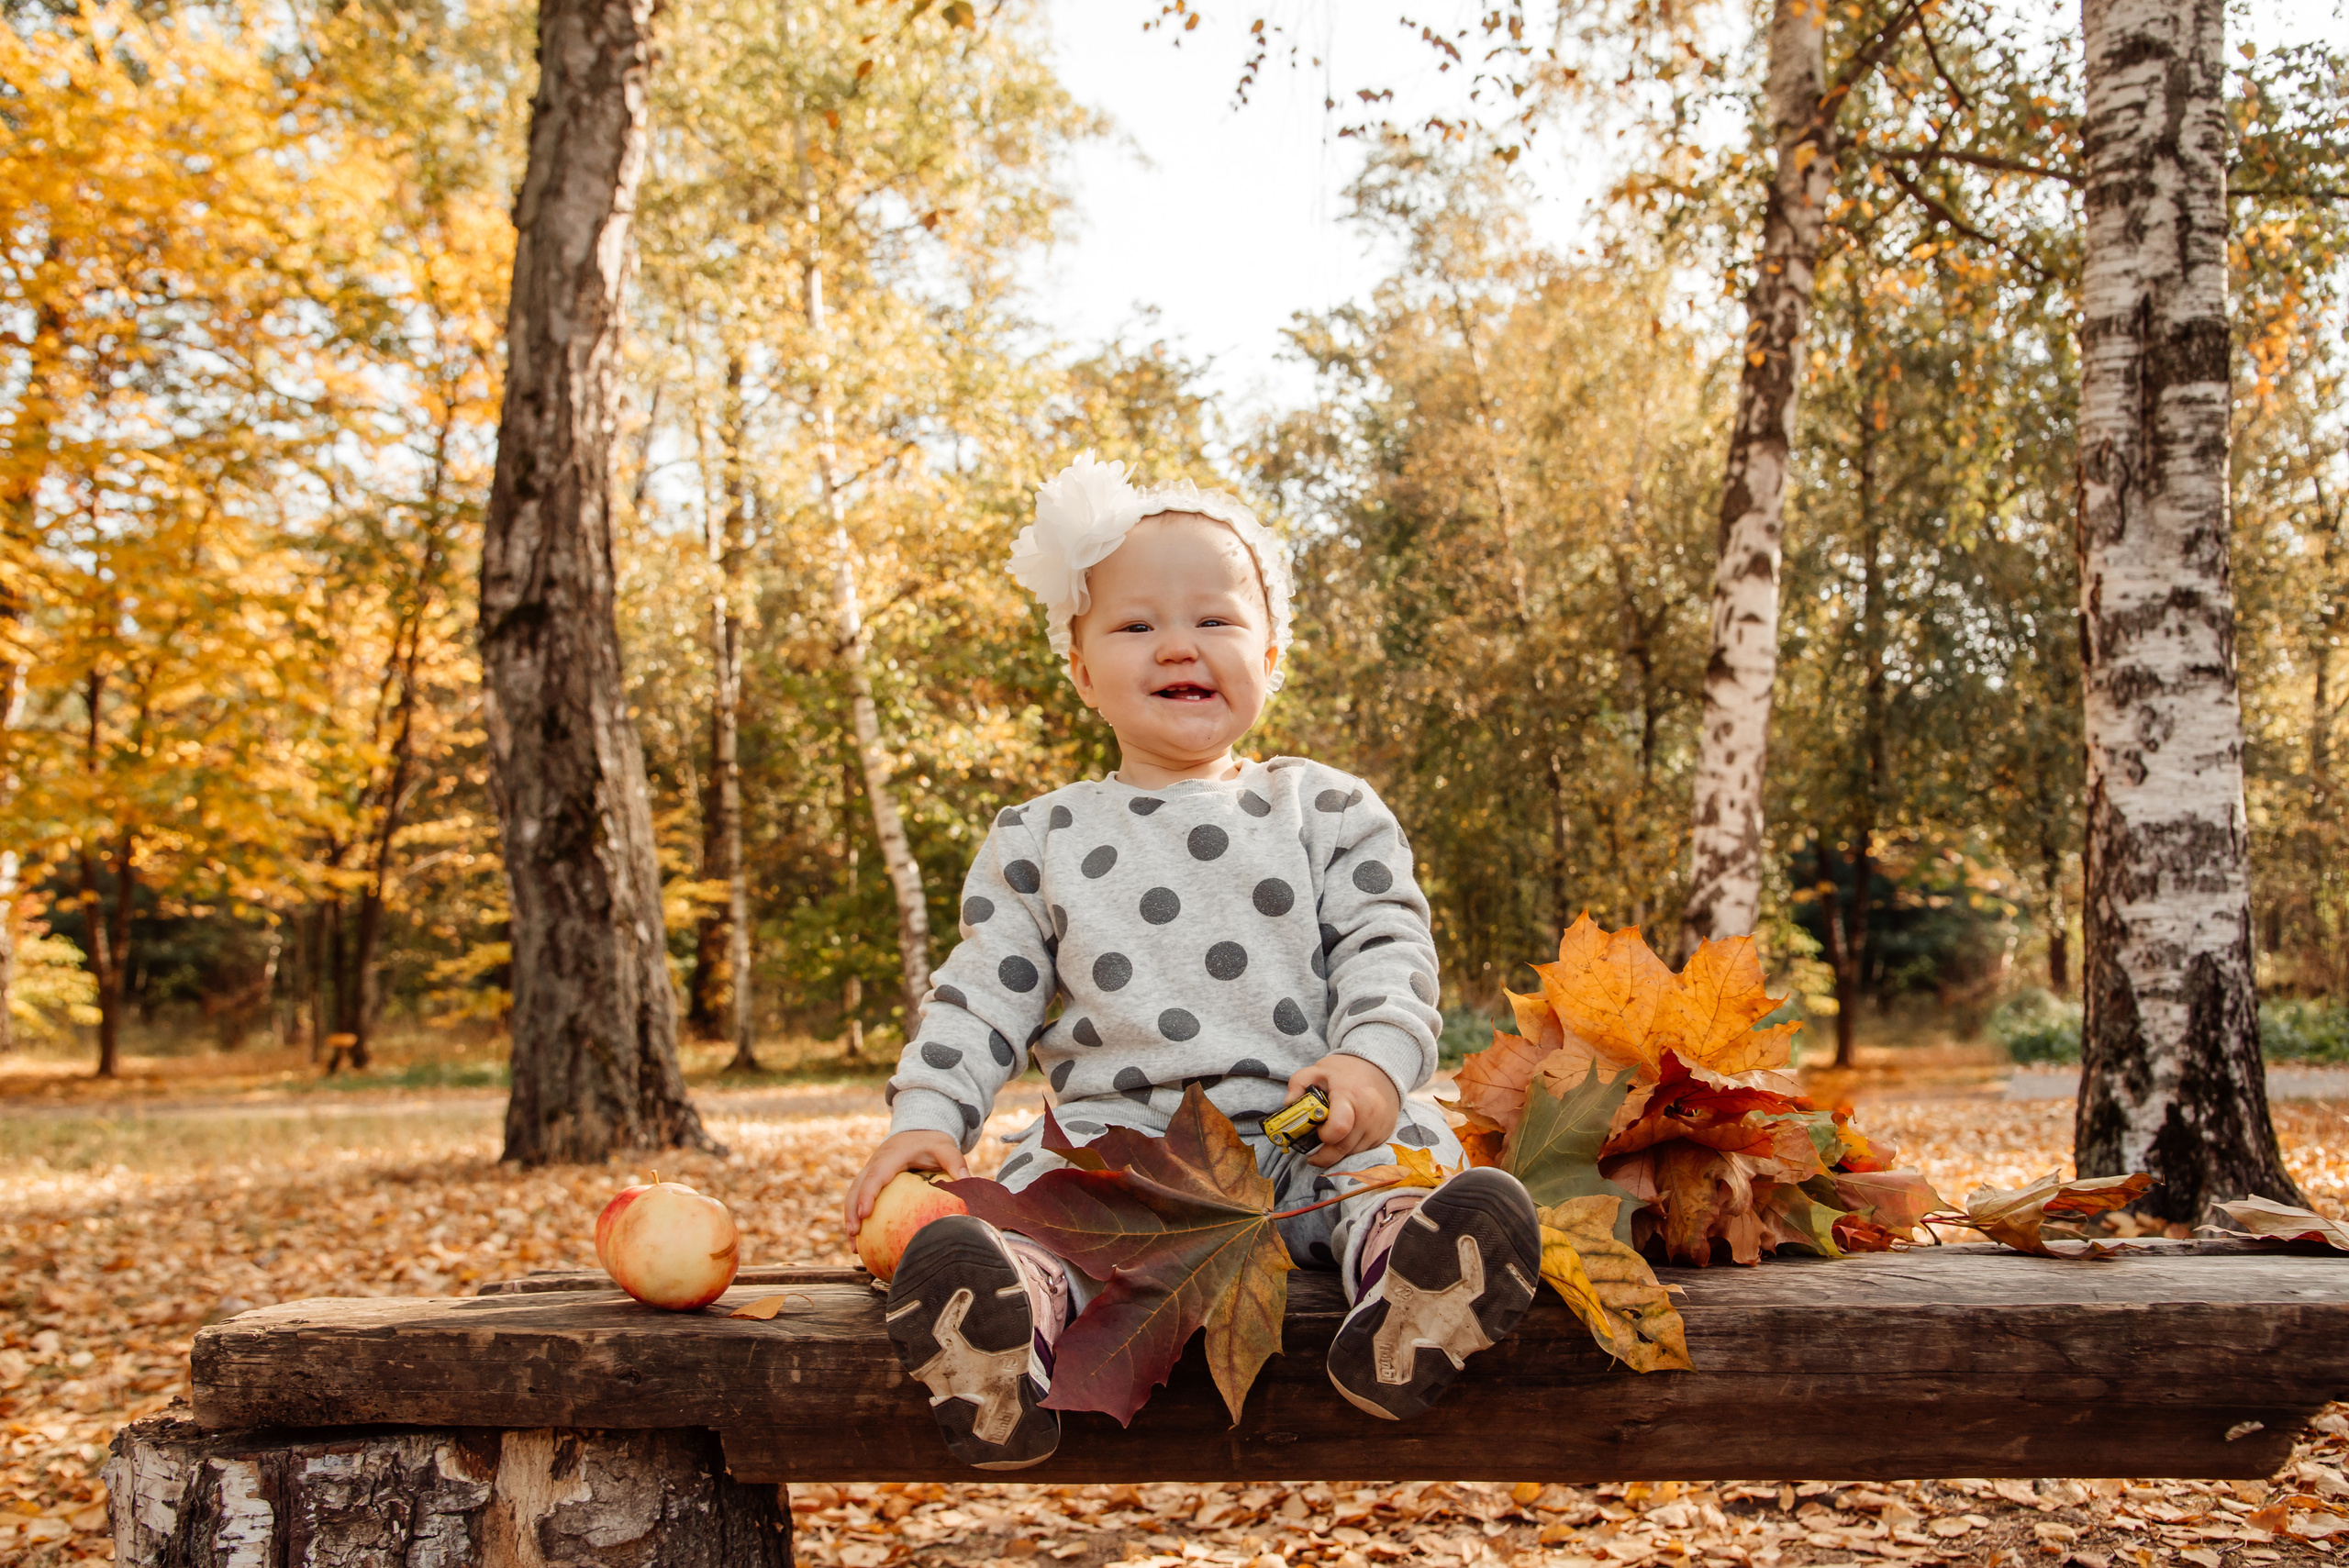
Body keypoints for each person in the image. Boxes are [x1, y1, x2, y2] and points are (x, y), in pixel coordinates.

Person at [840, 455, 1542, 1469]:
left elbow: (1387, 948)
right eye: (1134, 624)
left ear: (1273, 653)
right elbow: (978, 993)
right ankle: (993, 1333)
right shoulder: (1041, 836)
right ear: (1080, 669)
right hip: (1120, 1147)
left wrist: (1374, 1065)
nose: (1178, 643)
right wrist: (924, 1118)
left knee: (1395, 1169)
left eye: (1214, 619)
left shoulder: (1327, 808)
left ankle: (1420, 1286)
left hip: (1313, 1132)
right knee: (1046, 1215)